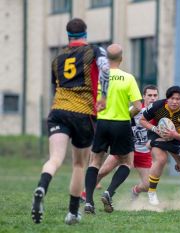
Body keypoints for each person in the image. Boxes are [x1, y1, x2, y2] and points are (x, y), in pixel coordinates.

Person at [30, 18, 110, 225]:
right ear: (85, 33)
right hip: (83, 113)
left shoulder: (57, 59)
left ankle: (41, 187)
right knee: (78, 164)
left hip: (58, 111)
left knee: (55, 159)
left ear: (68, 36)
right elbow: (106, 69)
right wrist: (103, 96)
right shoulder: (93, 50)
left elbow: (55, 86)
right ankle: (73, 213)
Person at [90, 88, 180, 203]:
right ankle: (87, 194)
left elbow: (179, 112)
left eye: (155, 95)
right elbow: (119, 121)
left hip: (146, 151)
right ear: (143, 96)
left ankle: (136, 191)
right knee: (103, 171)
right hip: (130, 147)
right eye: (149, 95)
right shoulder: (135, 110)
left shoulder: (160, 108)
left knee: (148, 184)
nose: (152, 98)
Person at [84, 43, 142, 214]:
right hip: (122, 123)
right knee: (126, 162)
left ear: (106, 59)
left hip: (102, 123)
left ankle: (88, 202)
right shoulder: (128, 78)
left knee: (94, 162)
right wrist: (127, 114)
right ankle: (109, 192)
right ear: (121, 59)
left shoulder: (99, 76)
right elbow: (138, 106)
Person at [139, 86, 180, 205]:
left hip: (175, 137)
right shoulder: (157, 106)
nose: (174, 101)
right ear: (167, 99)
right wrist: (155, 129)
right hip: (156, 134)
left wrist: (174, 134)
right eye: (172, 98)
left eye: (178, 99)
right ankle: (152, 193)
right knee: (161, 159)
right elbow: (142, 120)